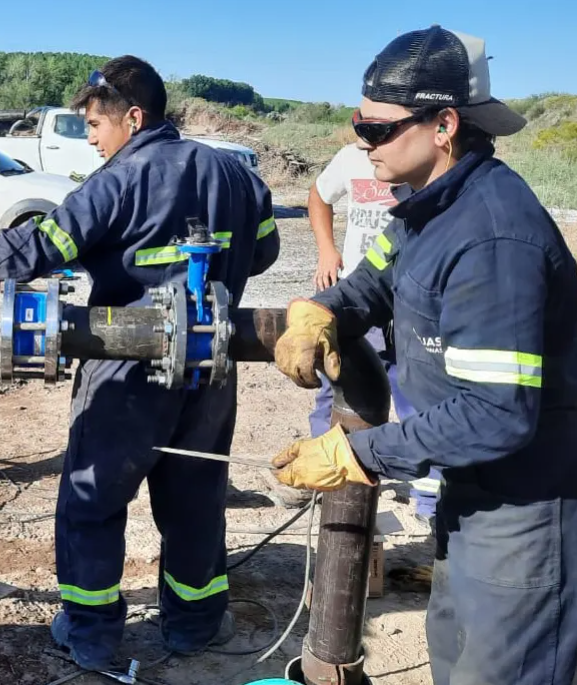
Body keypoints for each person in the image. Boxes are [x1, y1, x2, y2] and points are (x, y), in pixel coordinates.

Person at [0, 56, 280, 670]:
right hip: (209, 369)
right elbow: (263, 253)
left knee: (92, 502)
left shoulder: (117, 182)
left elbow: (40, 247)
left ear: (134, 117)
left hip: (126, 369)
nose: (91, 139)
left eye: (96, 125)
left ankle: (92, 634)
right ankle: (195, 626)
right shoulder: (238, 176)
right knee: (196, 500)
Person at [270, 26, 577, 684]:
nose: (362, 141)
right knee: (455, 653)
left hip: (526, 513)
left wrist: (359, 451)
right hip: (471, 496)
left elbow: (498, 414)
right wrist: (319, 313)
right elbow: (373, 281)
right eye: (360, 124)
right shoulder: (426, 213)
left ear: (444, 124)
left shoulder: (492, 235)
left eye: (379, 129)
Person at [301, 144, 441, 524]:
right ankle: (323, 478)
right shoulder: (348, 157)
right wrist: (326, 250)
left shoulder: (421, 156)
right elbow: (318, 195)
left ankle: (429, 498)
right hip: (357, 294)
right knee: (334, 387)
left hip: (409, 297)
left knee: (414, 391)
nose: (370, 142)